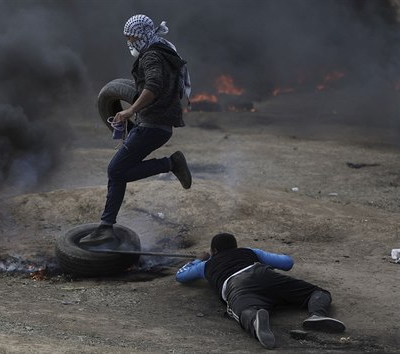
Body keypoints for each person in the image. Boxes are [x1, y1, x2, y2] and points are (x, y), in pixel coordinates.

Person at [80, 14, 193, 246]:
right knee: (119, 170)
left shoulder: (151, 56)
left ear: (142, 35)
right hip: (158, 125)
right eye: (127, 37)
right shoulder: (163, 50)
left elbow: (153, 86)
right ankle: (106, 226)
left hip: (152, 125)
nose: (129, 41)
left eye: (132, 37)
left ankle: (171, 164)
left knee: (115, 170)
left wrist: (130, 111)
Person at [176, 233, 346, 349]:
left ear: (214, 251)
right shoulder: (249, 252)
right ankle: (317, 314)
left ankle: (256, 319)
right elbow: (287, 263)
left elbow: (181, 277)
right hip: (261, 273)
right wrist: (261, 258)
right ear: (236, 246)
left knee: (244, 310)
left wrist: (197, 260)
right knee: (317, 293)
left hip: (236, 285)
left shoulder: (205, 265)